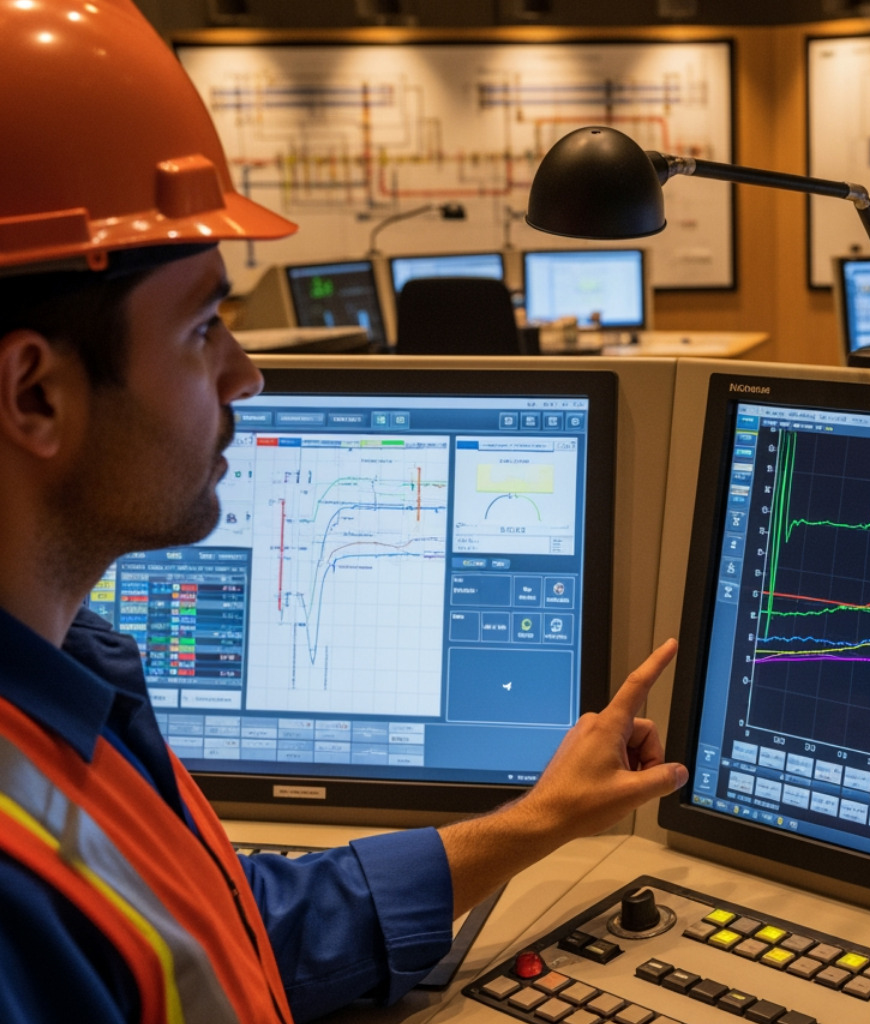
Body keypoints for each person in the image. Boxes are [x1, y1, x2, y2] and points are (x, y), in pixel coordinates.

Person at [0, 2, 688, 1021]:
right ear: (35, 394)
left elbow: (225, 921)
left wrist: (538, 820)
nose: (246, 374)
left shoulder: (69, 681)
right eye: (202, 328)